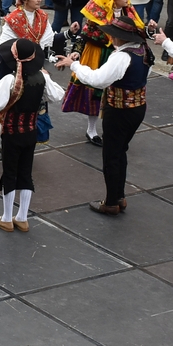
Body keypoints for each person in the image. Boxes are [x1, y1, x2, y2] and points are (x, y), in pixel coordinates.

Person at [58, 14, 152, 215]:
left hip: (119, 111)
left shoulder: (121, 57)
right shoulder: (143, 49)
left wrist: (73, 65)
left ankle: (111, 202)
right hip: (138, 107)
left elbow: (97, 79)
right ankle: (119, 196)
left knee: (111, 155)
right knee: (121, 151)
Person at [0, 39, 64, 231]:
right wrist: (45, 77)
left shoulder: (10, 80)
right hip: (31, 131)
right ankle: (22, 217)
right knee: (26, 171)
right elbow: (58, 95)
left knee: (10, 172)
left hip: (11, 133)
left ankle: (7, 218)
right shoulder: (41, 77)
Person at [62, 0, 144, 146]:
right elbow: (84, 35)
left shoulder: (129, 14)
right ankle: (91, 130)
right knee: (95, 93)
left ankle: (110, 128)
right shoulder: (99, 15)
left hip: (120, 54)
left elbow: (139, 33)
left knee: (114, 93)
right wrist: (77, 50)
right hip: (97, 55)